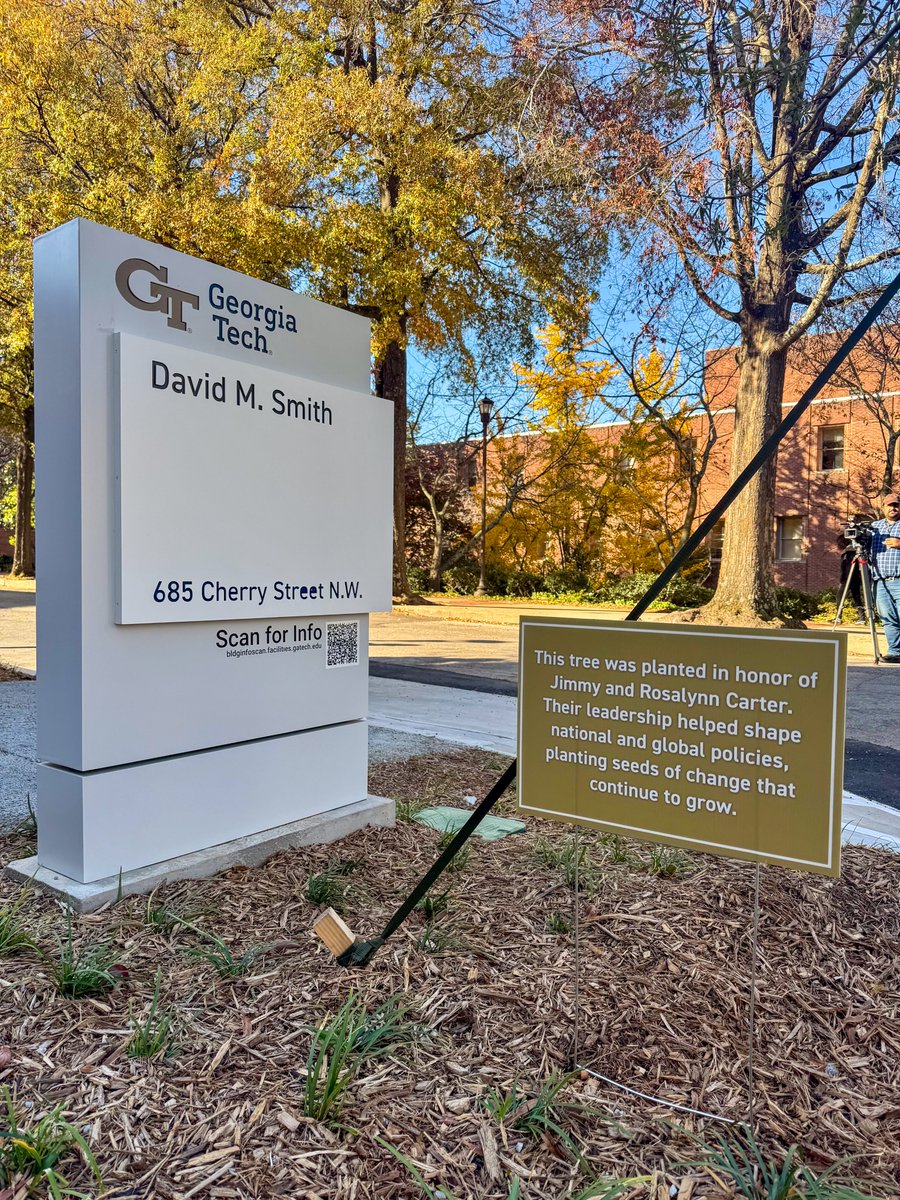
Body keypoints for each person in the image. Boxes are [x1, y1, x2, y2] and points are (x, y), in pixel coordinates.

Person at [870, 493, 900, 663]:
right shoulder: (875, 527)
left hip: (899, 579)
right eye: (889, 505)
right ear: (883, 507)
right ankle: (895, 652)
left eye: (896, 505)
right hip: (880, 582)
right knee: (888, 618)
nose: (893, 508)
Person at [837, 530, 865, 621]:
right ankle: (862, 618)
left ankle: (838, 616)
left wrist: (843, 579)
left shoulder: (849, 553)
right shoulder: (851, 552)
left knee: (840, 596)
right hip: (855, 577)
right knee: (856, 597)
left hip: (849, 578)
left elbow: (847, 567)